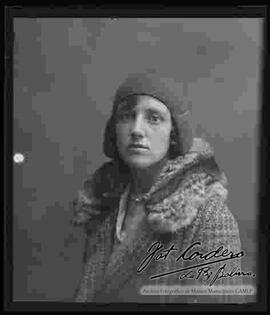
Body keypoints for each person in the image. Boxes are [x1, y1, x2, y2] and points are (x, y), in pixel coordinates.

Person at [72, 72, 244, 303]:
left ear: (174, 134)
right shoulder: (103, 209)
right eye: (126, 116)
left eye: (153, 118)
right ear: (114, 130)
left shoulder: (210, 218)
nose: (136, 129)